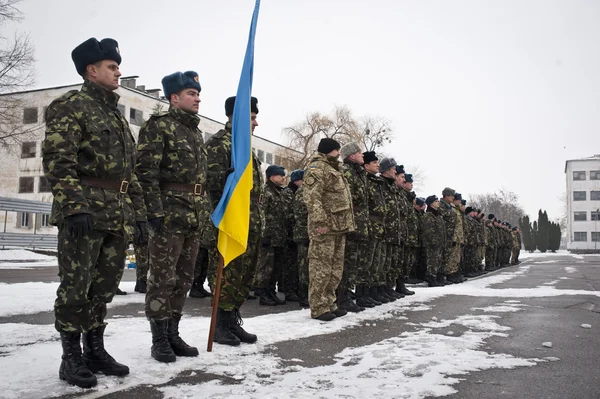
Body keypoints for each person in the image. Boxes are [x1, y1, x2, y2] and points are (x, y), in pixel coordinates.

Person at [42, 37, 145, 388]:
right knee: (76, 287)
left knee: (103, 288)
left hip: (116, 213)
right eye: (112, 67)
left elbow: (129, 173)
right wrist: (73, 206)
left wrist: (139, 215)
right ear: (91, 70)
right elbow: (59, 161)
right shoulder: (70, 106)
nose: (118, 72)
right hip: (84, 212)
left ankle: (94, 349)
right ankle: (70, 358)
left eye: (118, 67)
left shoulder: (114, 114)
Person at [135, 70, 208, 362]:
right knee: (161, 280)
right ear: (174, 97)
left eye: (198, 94)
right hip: (168, 214)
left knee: (183, 280)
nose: (198, 99)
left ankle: (173, 332)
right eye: (192, 94)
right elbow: (145, 173)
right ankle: (159, 339)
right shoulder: (159, 126)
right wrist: (153, 212)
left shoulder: (194, 131)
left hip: (192, 215)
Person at [206, 96, 264, 345]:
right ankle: (219, 325)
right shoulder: (220, 144)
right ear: (237, 116)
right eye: (251, 117)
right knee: (226, 274)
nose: (256, 123)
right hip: (230, 222)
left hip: (250, 221)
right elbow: (212, 184)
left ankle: (232, 320)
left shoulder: (245, 145)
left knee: (243, 276)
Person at [304, 138, 355, 321]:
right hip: (324, 228)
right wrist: (319, 222)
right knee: (321, 268)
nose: (339, 153)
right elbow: (312, 197)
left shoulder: (334, 169)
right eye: (336, 150)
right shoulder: (317, 168)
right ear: (327, 151)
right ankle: (318, 307)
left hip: (338, 227)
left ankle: (330, 303)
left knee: (335, 269)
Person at [338, 142, 369, 311]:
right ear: (351, 155)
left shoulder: (358, 172)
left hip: (359, 223)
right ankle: (342, 298)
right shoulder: (347, 172)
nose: (362, 156)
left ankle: (348, 294)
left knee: (354, 262)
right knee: (347, 262)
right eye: (360, 153)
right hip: (351, 222)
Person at [254, 165, 288, 306]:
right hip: (268, 237)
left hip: (278, 237)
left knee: (275, 268)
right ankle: (263, 294)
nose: (283, 178)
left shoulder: (277, 192)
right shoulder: (265, 192)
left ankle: (271, 292)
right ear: (273, 177)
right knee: (266, 268)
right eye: (281, 176)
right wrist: (264, 235)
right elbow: (261, 214)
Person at [422, 196, 446, 286]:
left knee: (438, 260)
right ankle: (431, 279)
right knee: (432, 261)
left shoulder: (438, 214)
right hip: (432, 243)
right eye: (436, 201)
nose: (438, 203)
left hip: (440, 243)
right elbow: (429, 230)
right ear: (431, 203)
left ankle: (437, 277)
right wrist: (434, 241)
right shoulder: (429, 215)